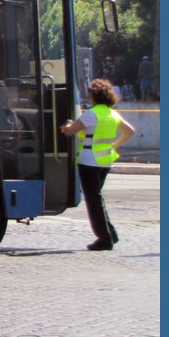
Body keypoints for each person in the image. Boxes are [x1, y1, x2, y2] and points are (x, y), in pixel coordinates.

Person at [60, 79, 136, 251]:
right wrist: (114, 146)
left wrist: (66, 125)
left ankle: (104, 239)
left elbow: (70, 131)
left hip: (88, 160)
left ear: (94, 96)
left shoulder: (90, 114)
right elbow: (130, 131)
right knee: (97, 198)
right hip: (105, 161)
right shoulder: (112, 114)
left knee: (93, 200)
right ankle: (110, 234)